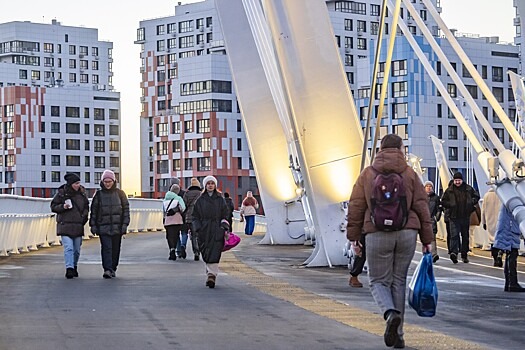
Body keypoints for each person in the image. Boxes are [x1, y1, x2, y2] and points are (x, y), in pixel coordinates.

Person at [346, 134, 433, 349]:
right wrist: (427, 239)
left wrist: (354, 238)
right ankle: (399, 335)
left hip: (376, 232)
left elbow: (356, 206)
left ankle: (389, 313)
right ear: (401, 149)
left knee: (378, 281)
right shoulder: (410, 174)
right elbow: (422, 206)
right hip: (407, 232)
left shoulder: (367, 174)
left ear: (380, 150)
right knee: (399, 281)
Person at [89, 169, 130, 279]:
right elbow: (94, 211)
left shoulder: (120, 194)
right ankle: (107, 269)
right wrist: (93, 225)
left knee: (116, 249)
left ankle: (113, 268)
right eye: (105, 182)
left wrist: (125, 225)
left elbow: (126, 210)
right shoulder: (98, 195)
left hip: (118, 226)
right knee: (106, 248)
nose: (107, 184)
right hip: (103, 227)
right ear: (102, 182)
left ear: (114, 181)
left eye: (109, 181)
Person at [192, 175, 230, 288]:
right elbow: (195, 216)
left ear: (215, 185)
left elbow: (226, 214)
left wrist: (224, 226)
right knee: (206, 252)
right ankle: (210, 272)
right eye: (208, 183)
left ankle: (211, 275)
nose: (210, 185)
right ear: (205, 185)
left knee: (215, 252)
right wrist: (197, 227)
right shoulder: (200, 200)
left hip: (217, 229)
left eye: (212, 183)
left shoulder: (220, 199)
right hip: (204, 230)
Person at [50, 173, 90, 279]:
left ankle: (74, 266)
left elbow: (86, 207)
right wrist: (63, 207)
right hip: (65, 225)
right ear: (70, 184)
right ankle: (69, 268)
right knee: (68, 248)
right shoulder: (61, 194)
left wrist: (83, 218)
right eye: (76, 183)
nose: (78, 185)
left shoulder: (82, 194)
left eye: (78, 183)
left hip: (77, 225)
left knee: (76, 250)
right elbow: (53, 206)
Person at [441, 172, 480, 264]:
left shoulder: (468, 189)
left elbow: (476, 196)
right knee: (454, 235)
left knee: (465, 236)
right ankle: (454, 253)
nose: (457, 182)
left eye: (459, 180)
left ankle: (464, 254)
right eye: (456, 180)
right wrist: (450, 205)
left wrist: (471, 202)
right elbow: (443, 201)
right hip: (453, 216)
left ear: (462, 180)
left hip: (465, 216)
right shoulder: (449, 190)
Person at [493, 204, 525, 292]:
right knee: (512, 254)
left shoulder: (507, 200)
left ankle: (509, 283)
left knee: (510, 254)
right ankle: (512, 282)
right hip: (510, 228)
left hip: (507, 227)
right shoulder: (513, 200)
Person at [163, 184, 186, 261]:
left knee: (169, 236)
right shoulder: (178, 198)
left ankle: (171, 249)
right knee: (176, 236)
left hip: (167, 220)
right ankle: (176, 250)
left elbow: (163, 211)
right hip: (177, 220)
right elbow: (183, 208)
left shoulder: (165, 199)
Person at [481, 188, 503, 267]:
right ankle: (500, 253)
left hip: (489, 221)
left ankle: (495, 258)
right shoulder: (501, 195)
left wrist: (483, 222)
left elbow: (483, 211)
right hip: (500, 221)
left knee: (492, 240)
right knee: (500, 239)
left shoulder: (486, 196)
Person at [183, 177, 202, 261]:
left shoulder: (187, 194)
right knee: (200, 235)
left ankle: (196, 252)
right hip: (199, 217)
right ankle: (199, 249)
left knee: (193, 235)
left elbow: (184, 205)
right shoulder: (201, 193)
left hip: (189, 217)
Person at [170, 178, 188, 260]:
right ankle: (183, 245)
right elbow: (185, 206)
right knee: (184, 232)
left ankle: (178, 250)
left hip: (173, 217)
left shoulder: (169, 194)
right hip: (183, 216)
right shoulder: (184, 193)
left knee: (176, 234)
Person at [424, 181, 442, 263]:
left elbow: (439, 208)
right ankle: (426, 254)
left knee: (432, 237)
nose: (428, 187)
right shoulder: (421, 197)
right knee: (425, 238)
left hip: (432, 220)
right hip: (423, 220)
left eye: (430, 186)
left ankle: (434, 254)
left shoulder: (436, 198)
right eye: (427, 186)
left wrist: (437, 217)